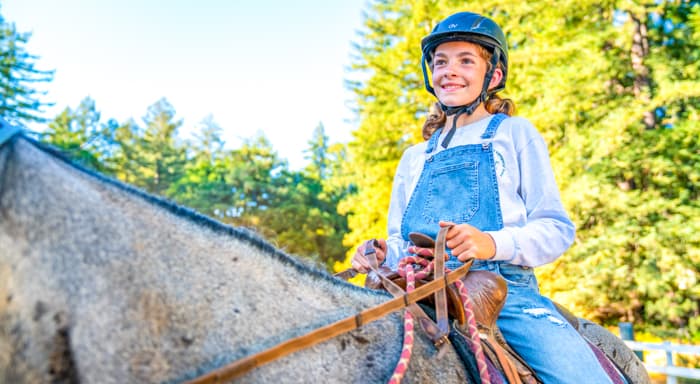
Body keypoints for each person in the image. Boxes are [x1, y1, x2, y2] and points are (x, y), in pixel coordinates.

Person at [350, 11, 623, 384]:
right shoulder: (415, 157)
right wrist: (384, 253)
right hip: (419, 288)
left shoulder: (514, 134)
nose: (449, 70)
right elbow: (401, 239)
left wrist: (489, 242)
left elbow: (556, 228)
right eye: (440, 62)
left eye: (466, 61)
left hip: (503, 294)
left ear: (492, 75)